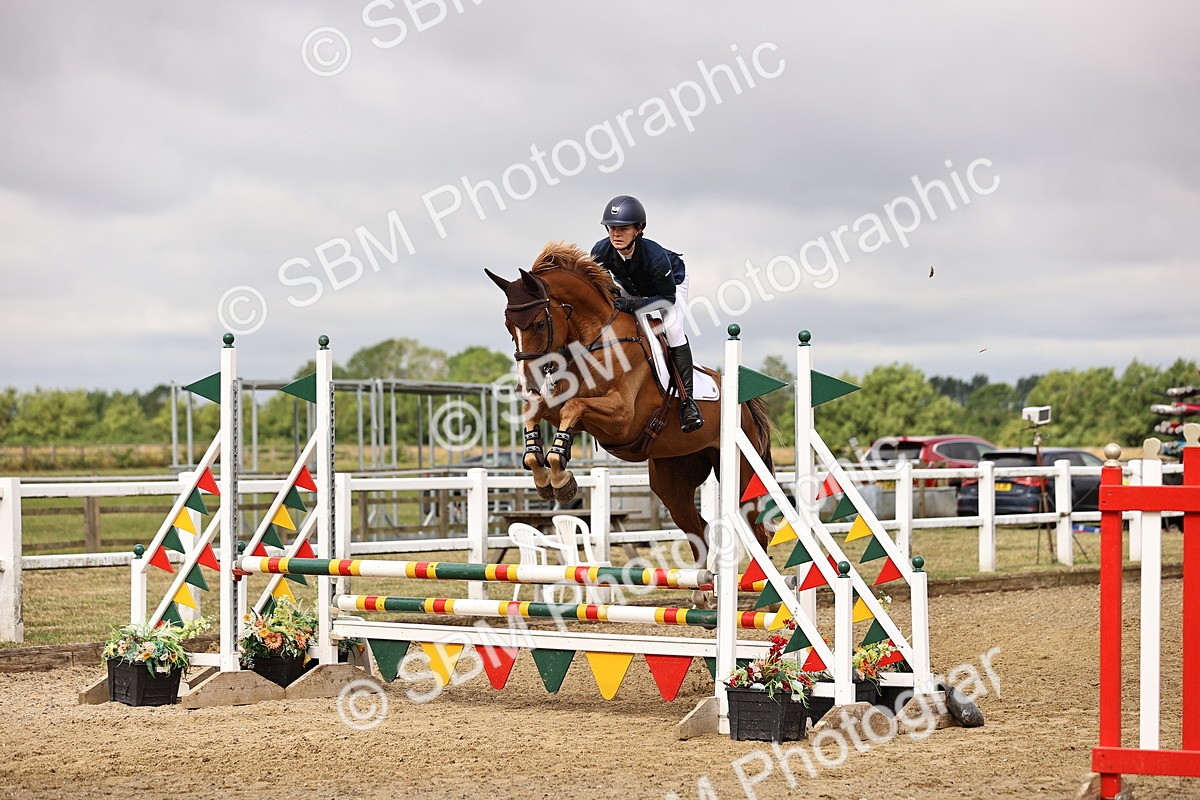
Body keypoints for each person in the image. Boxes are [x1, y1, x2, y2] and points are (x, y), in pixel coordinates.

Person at [590, 195, 703, 433]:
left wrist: (631, 306)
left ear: (638, 230)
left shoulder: (656, 258)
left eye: (623, 228)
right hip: (631, 288)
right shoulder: (600, 251)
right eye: (611, 228)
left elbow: (666, 299)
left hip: (670, 287)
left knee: (671, 329)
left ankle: (687, 403)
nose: (615, 234)